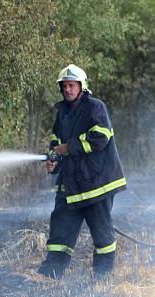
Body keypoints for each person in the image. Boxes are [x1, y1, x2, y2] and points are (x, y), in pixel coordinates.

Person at [38, 64, 126, 279]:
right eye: (64, 86)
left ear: (81, 86)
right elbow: (56, 144)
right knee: (60, 230)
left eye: (71, 85)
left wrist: (68, 147)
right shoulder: (62, 114)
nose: (67, 89)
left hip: (97, 184)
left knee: (101, 233)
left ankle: (102, 276)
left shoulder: (95, 108)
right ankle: (51, 273)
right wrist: (53, 162)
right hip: (70, 185)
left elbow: (100, 138)